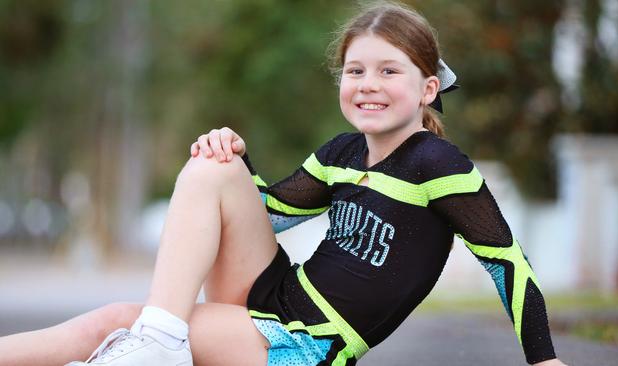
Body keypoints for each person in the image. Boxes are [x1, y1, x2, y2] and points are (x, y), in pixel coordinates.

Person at [0, 2, 569, 365]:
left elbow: (506, 262)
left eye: (389, 71)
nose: (368, 84)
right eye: (355, 71)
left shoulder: (438, 164)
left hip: (308, 342)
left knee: (115, 324)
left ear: (426, 89)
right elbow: (270, 212)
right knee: (213, 165)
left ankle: (155, 342)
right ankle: (158, 340)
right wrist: (237, 159)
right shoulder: (341, 153)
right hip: (274, 299)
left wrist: (542, 360)